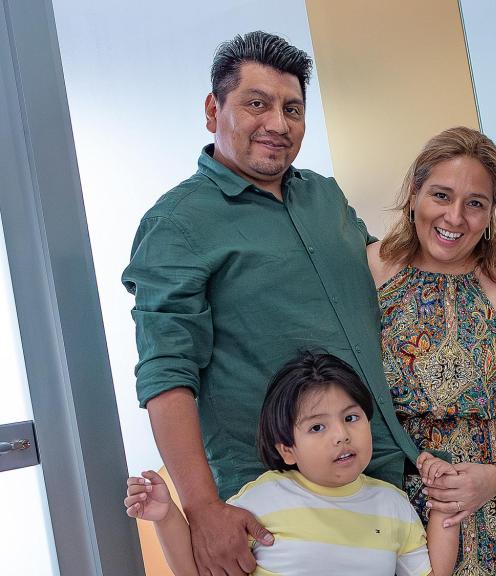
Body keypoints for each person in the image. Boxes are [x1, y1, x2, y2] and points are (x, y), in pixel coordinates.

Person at [121, 31, 420, 575]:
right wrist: (203, 507)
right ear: (214, 109)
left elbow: (393, 275)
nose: (277, 125)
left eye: (292, 108)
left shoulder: (324, 196)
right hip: (273, 500)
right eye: (255, 104)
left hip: (382, 476)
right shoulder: (177, 224)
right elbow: (166, 375)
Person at [366, 127, 496, 575]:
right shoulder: (372, 269)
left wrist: (494, 477)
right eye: (441, 195)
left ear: (491, 214)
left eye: (475, 203)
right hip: (399, 502)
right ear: (414, 194)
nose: (455, 217)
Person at [125, 351, 458, 576]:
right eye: (317, 427)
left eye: (352, 417)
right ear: (287, 450)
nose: (341, 435)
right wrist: (166, 516)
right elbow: (196, 571)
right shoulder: (262, 499)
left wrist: (445, 507)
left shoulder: (393, 505)